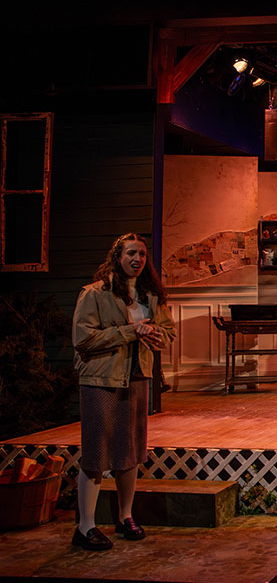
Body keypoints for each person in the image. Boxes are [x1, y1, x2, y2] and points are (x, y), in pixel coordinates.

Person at [72, 233, 175, 551]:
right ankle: (85, 526)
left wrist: (157, 334)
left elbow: (168, 332)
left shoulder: (150, 295)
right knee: (95, 454)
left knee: (129, 453)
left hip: (137, 378)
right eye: (132, 253)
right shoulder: (95, 293)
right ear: (117, 256)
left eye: (143, 255)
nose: (138, 259)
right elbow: (83, 338)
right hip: (101, 380)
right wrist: (130, 331)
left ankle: (125, 516)